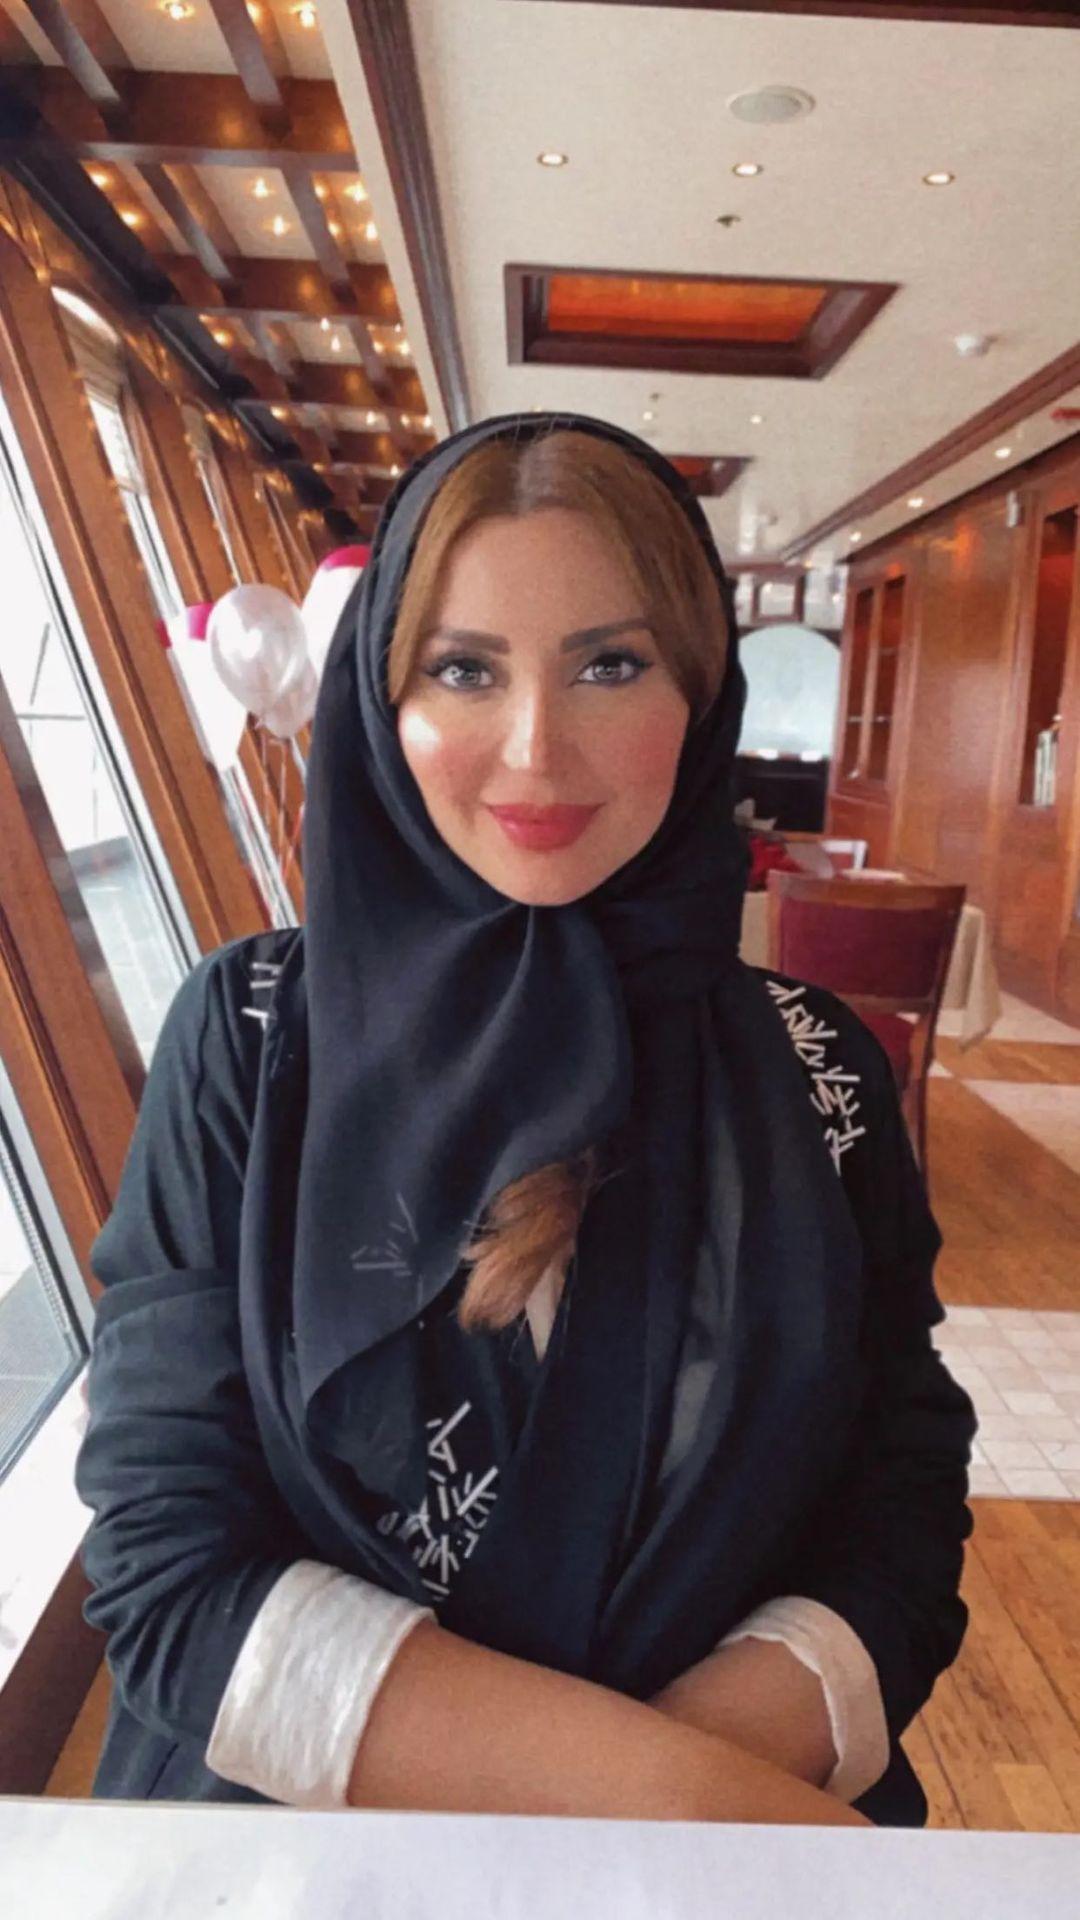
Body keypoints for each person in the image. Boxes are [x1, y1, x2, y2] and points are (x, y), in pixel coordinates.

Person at [75, 412, 976, 1827]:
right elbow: (168, 1562)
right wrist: (677, 1806)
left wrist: (674, 1823)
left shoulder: (820, 1070)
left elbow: (900, 1504)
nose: (537, 747)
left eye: (611, 664)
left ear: (703, 693)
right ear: (384, 699)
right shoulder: (249, 1041)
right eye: (465, 669)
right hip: (316, 1846)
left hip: (737, 1826)